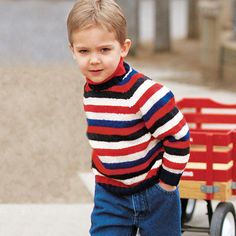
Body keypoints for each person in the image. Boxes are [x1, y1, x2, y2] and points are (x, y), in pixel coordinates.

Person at [67, 0, 190, 235]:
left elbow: (179, 136)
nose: (94, 59)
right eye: (84, 51)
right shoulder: (91, 88)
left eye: (104, 50)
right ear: (72, 50)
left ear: (123, 48)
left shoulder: (144, 92)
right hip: (110, 194)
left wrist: (167, 184)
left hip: (155, 191)